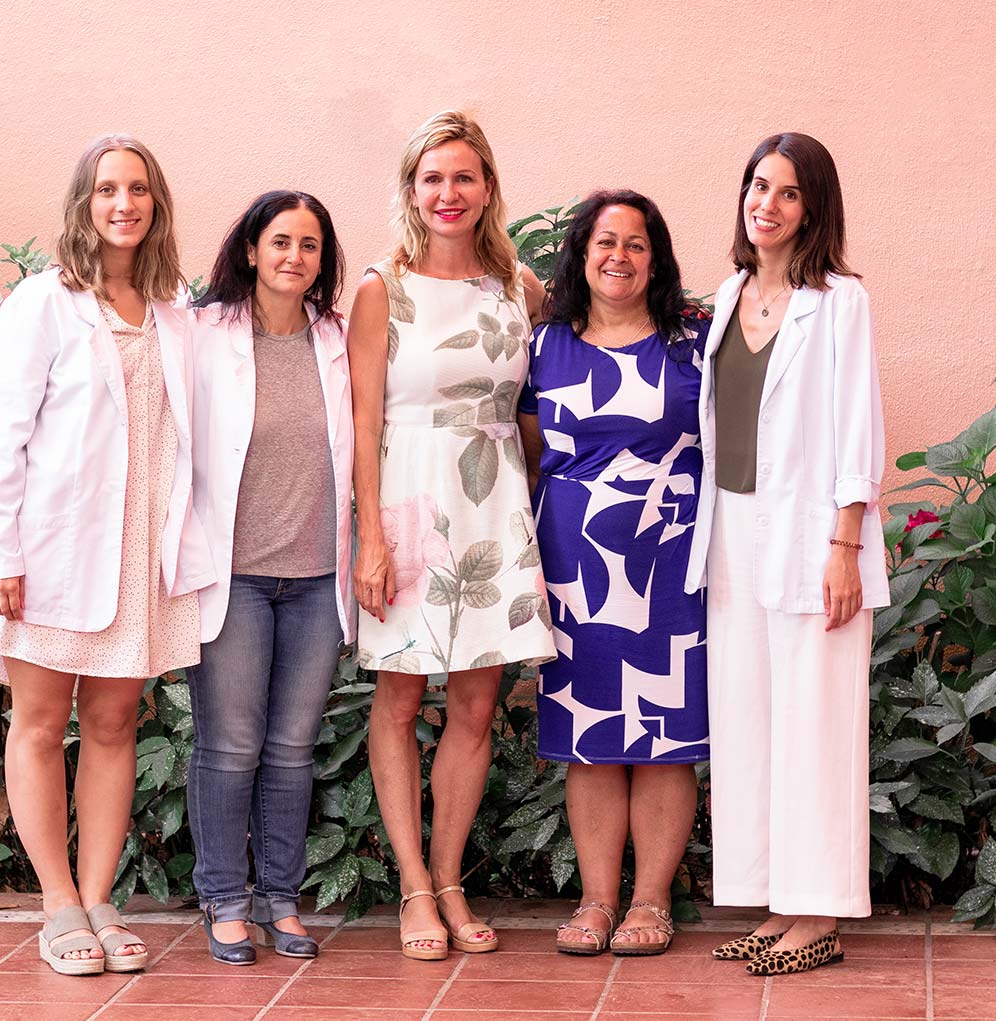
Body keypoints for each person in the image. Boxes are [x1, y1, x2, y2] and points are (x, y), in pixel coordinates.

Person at [0, 134, 212, 975]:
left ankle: (101, 896)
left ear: (156, 203)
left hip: (141, 553)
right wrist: (0, 549)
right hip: (50, 549)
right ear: (85, 201)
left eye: (139, 188)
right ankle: (58, 903)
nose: (124, 203)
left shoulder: (178, 308)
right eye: (108, 188)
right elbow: (9, 435)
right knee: (38, 724)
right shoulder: (44, 301)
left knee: (114, 723)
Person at [349, 109, 555, 961]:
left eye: (463, 177)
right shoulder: (379, 288)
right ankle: (411, 886)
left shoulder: (521, 289)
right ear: (411, 189)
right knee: (399, 696)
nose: (447, 192)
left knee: (475, 702)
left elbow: (537, 412)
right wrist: (369, 537)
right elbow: (363, 426)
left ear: (487, 187)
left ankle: (450, 879)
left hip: (494, 505)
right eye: (432, 177)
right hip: (406, 510)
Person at [685, 132, 889, 975]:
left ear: (815, 208)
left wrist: (845, 542)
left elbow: (856, 425)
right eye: (757, 186)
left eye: (788, 193)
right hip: (731, 529)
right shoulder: (730, 293)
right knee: (749, 717)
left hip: (813, 532)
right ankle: (777, 901)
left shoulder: (839, 300)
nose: (766, 204)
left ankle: (820, 913)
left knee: (817, 718)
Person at [517, 190, 710, 957]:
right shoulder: (545, 346)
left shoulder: (693, 341)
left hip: (672, 558)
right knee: (592, 732)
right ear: (580, 253)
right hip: (576, 562)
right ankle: (598, 901)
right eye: (606, 242)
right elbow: (530, 456)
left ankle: (652, 900)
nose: (619, 256)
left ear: (655, 258)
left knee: (664, 731)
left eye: (636, 244)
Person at [184, 191, 354, 966]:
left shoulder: (338, 338)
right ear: (250, 249)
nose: (295, 255)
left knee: (291, 746)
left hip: (320, 576)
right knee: (230, 744)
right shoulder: (203, 332)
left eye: (310, 244)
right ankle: (223, 898)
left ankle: (280, 900)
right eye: (280, 240)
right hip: (237, 576)